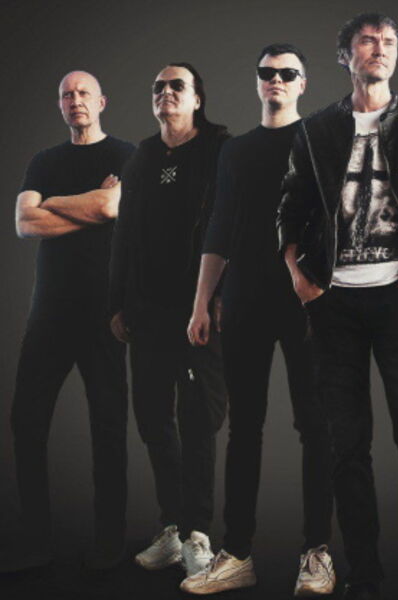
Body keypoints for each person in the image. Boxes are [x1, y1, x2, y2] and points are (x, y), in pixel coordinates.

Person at [278, 13, 398, 600]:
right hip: (333, 302)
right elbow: (289, 208)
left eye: (388, 42)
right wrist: (299, 278)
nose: (379, 49)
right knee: (347, 446)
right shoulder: (315, 130)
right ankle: (364, 575)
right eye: (367, 41)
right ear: (346, 55)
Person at [184, 44, 335, 597]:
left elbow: (337, 222)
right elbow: (219, 226)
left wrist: (328, 295)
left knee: (315, 425)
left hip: (305, 302)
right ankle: (238, 555)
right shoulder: (237, 151)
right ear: (257, 82)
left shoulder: (319, 141)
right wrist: (202, 302)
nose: (276, 80)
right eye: (267, 73)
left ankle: (317, 552)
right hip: (244, 301)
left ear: (303, 83)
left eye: (287, 73)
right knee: (244, 426)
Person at [7, 71, 134, 572]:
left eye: (83, 93)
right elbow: (24, 223)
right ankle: (36, 541)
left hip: (105, 313)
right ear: (60, 106)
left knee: (108, 427)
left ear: (101, 102)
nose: (75, 100)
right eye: (66, 95)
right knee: (27, 421)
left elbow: (112, 205)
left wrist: (53, 205)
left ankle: (109, 544)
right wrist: (90, 204)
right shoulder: (44, 161)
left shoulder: (125, 155)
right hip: (49, 314)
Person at [108, 63, 228, 582]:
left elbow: (232, 224)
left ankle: (198, 533)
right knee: (153, 417)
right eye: (158, 87)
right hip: (147, 311)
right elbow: (124, 234)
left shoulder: (220, 150)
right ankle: (173, 527)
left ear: (198, 98)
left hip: (198, 308)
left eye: (178, 85)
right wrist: (117, 302)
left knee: (199, 418)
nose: (166, 92)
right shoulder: (142, 157)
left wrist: (219, 296)